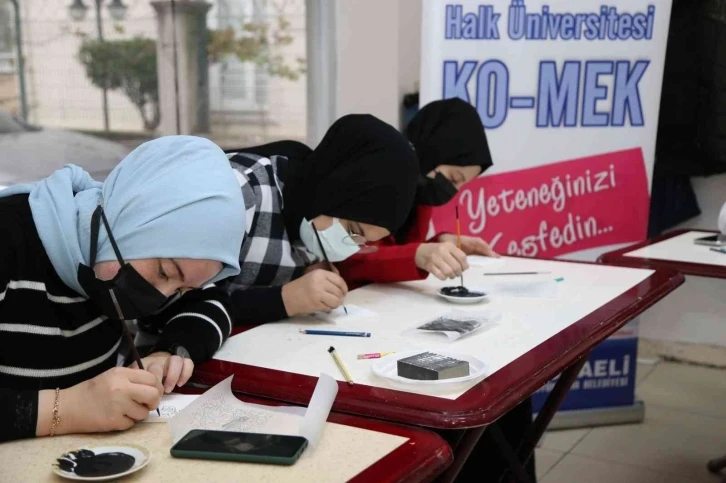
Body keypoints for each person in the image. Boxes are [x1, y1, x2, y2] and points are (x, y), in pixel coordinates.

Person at [0, 136, 245, 442]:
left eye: (180, 290)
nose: (162, 297)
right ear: (133, 218)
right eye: (164, 271)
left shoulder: (116, 248)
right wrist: (67, 409)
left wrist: (170, 353)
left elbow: (214, 303)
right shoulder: (9, 239)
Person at [223, 114, 419, 324]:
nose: (350, 249)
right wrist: (285, 299)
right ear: (334, 191)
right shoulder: (241, 191)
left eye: (364, 243)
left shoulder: (310, 214)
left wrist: (300, 277)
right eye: (353, 231)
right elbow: (197, 308)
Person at [337, 98, 497, 287]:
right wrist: (418, 255)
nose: (453, 191)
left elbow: (401, 249)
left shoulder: (421, 193)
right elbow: (351, 259)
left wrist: (441, 242)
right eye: (454, 178)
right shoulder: (374, 174)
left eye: (462, 185)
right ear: (431, 152)